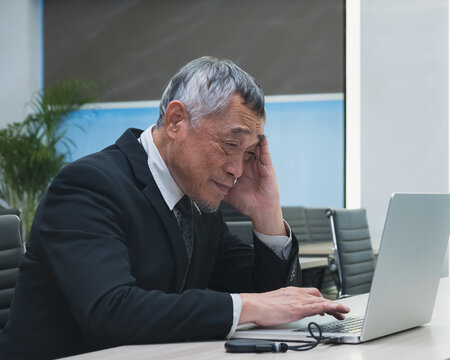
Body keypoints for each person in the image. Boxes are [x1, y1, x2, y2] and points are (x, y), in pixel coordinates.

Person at [0, 56, 349, 359]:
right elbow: (111, 313)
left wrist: (266, 214)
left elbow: (271, 299)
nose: (238, 170)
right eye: (230, 145)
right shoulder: (88, 185)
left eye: (248, 154)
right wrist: (248, 306)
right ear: (177, 120)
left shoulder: (195, 199)